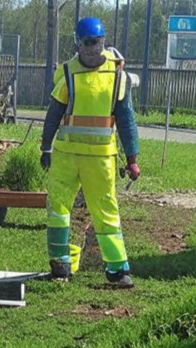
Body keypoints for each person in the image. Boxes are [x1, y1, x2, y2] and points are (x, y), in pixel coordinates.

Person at [40, 17, 140, 288]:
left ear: (103, 42)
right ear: (78, 43)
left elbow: (126, 117)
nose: (92, 49)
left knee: (106, 210)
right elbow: (54, 113)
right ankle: (60, 264)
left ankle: (118, 270)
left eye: (97, 43)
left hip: (100, 159)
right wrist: (46, 146)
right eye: (87, 43)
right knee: (59, 208)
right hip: (66, 155)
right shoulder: (67, 73)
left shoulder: (117, 76)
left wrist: (132, 158)